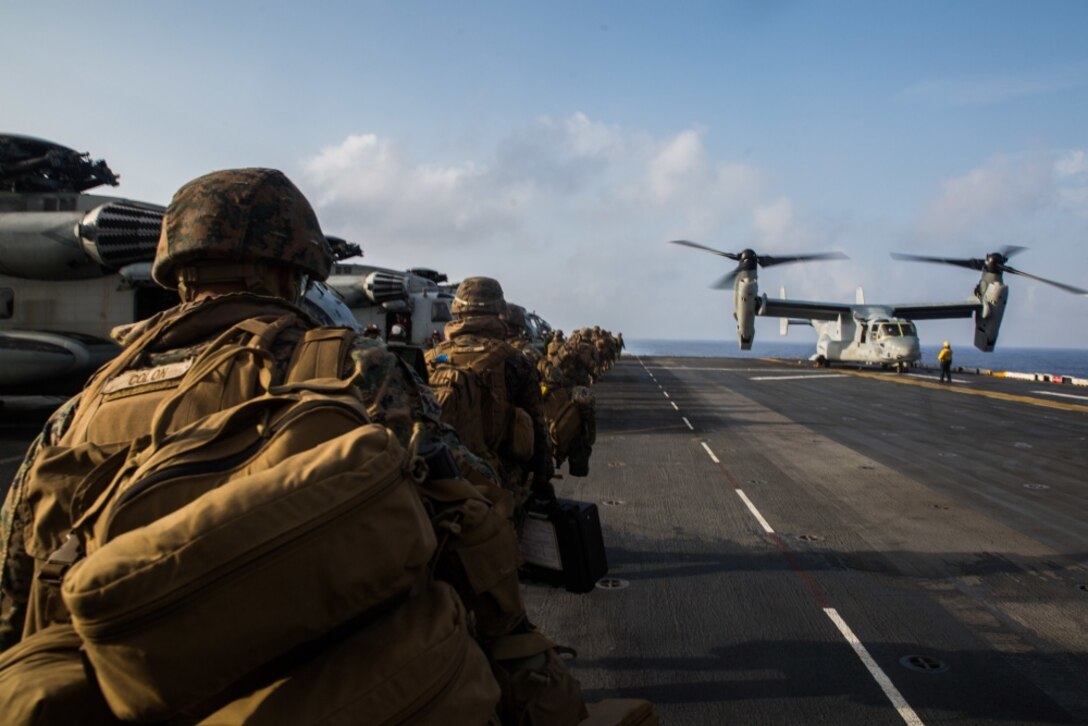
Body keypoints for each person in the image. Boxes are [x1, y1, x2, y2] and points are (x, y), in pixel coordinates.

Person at [0, 168, 585, 723]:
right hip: (327, 683)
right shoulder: (348, 365)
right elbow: (462, 503)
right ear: (289, 271)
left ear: (177, 272)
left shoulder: (85, 405)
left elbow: (16, 585)